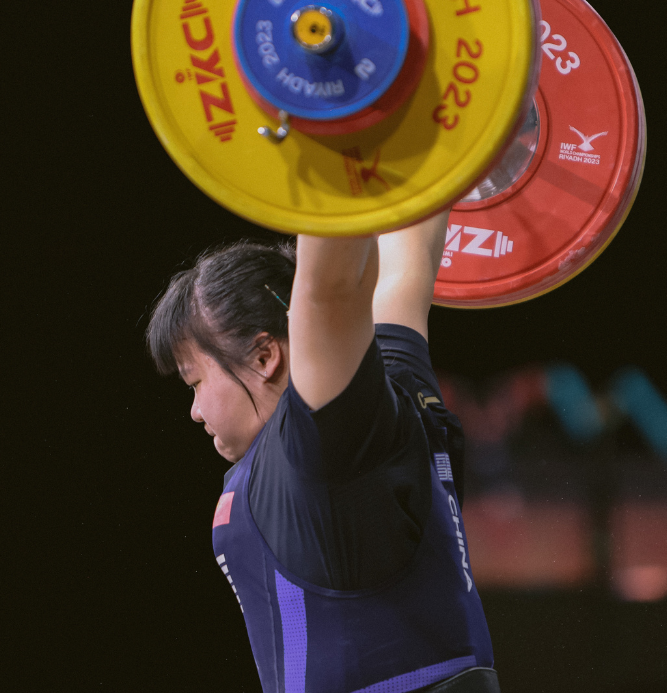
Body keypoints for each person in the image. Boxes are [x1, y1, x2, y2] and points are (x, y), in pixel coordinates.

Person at [146, 212, 498, 693]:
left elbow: (330, 288)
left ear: (264, 357)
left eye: (195, 382)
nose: (194, 410)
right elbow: (407, 256)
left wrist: (332, 149)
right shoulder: (392, 384)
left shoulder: (321, 442)